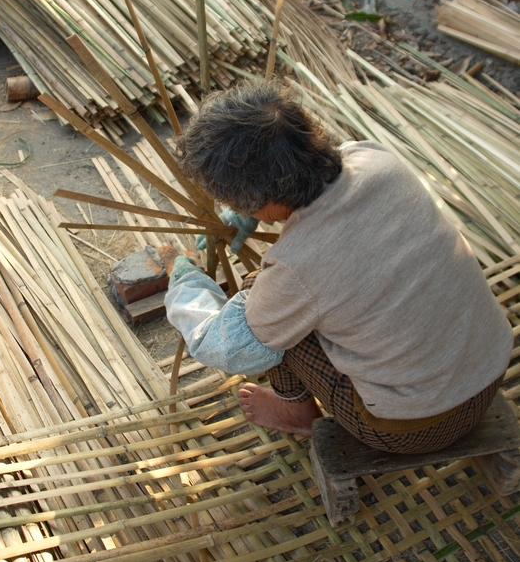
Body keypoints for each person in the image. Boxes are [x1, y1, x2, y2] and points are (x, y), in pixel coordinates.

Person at [165, 80, 512, 453]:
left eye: (240, 202)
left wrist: (185, 283)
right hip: (492, 366)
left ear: (257, 202)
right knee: (285, 305)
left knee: (263, 314)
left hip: (417, 427)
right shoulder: (378, 159)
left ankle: (296, 413)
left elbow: (226, 347)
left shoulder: (295, 269)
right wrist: (248, 208)